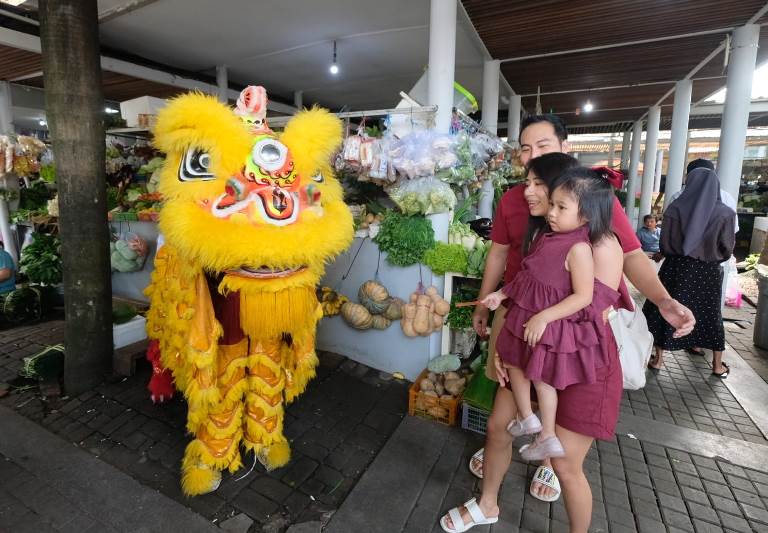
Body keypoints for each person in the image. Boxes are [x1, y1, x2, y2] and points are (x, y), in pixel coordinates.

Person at [467, 114, 695, 502]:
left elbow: (632, 254)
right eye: (525, 148)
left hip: (571, 328)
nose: (531, 154)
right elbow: (499, 252)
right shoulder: (514, 198)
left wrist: (662, 298)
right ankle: (515, 453)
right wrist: (487, 305)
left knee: (560, 395)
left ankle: (550, 460)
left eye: (542, 145)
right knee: (508, 402)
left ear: (564, 148)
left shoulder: (590, 198)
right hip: (520, 311)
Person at [440, 159, 626, 533]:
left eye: (538, 184)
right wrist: (504, 340)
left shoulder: (598, 245)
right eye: (527, 182)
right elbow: (525, 289)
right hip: (532, 346)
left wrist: (525, 337)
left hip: (581, 362)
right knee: (497, 427)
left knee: (566, 465)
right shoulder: (543, 235)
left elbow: (587, 314)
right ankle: (487, 503)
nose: (528, 192)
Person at [481, 167, 615, 463]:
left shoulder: (579, 248)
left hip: (546, 324)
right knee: (518, 364)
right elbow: (526, 277)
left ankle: (545, 433)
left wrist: (545, 318)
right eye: (552, 204)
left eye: (561, 207)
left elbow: (584, 297)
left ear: (587, 216)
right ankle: (531, 422)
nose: (551, 212)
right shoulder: (547, 237)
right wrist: (501, 294)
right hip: (528, 317)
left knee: (540, 378)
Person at [644, 167, 735, 377]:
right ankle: (717, 365)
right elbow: (727, 248)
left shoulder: (675, 208)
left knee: (665, 310)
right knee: (711, 314)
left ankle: (658, 360)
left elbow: (664, 244)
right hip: (708, 272)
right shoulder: (725, 213)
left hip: (676, 268)